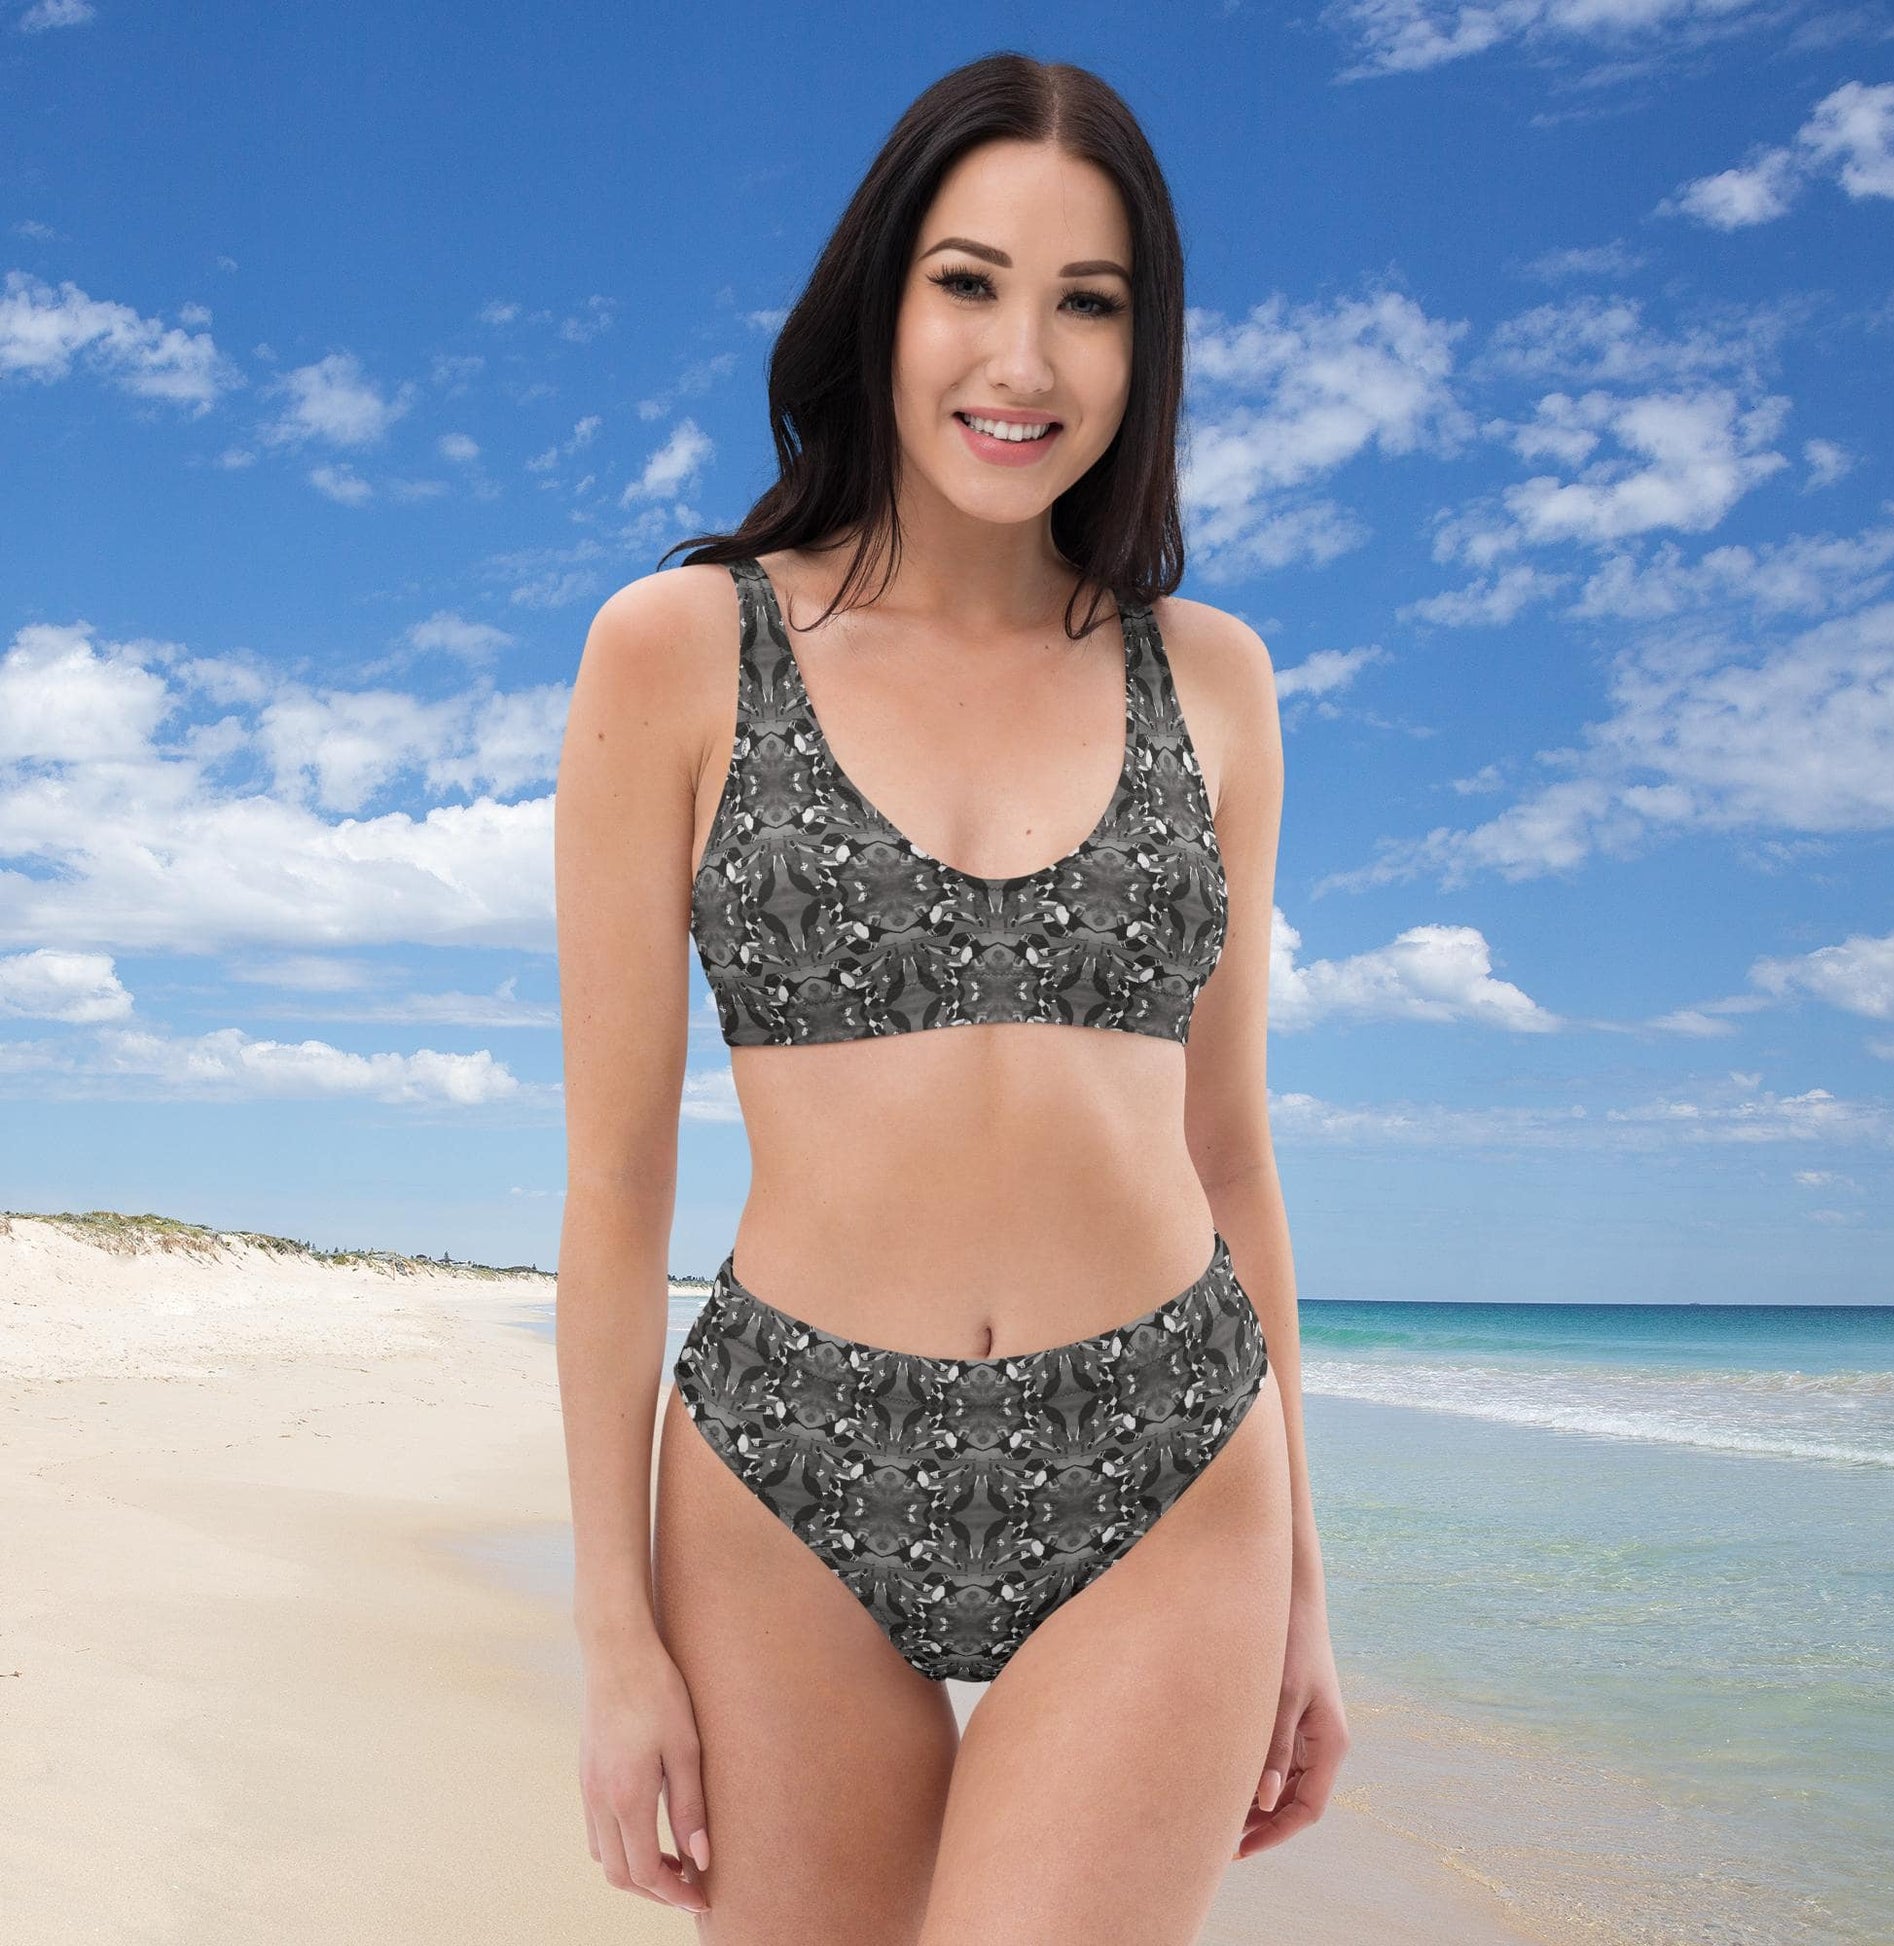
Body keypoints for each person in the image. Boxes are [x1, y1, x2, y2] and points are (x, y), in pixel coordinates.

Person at [551, 49, 1348, 1944]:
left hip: (1166, 1457)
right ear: (880, 300)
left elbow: (1228, 1151)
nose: (1025, 362)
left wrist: (1307, 1585)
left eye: (1090, 303)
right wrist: (612, 1640)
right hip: (781, 1469)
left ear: (1145, 348)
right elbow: (611, 1183)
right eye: (971, 283)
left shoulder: (1212, 682)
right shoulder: (682, 650)